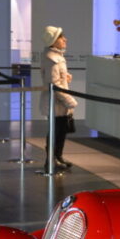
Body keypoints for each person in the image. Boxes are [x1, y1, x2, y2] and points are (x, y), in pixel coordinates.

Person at [40, 26, 78, 169]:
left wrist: (65, 77)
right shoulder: (52, 58)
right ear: (54, 41)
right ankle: (51, 159)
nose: (65, 40)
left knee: (60, 131)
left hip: (58, 102)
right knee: (56, 131)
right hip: (56, 102)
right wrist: (69, 101)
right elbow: (53, 84)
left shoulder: (56, 57)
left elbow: (56, 79)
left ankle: (57, 157)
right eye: (62, 37)